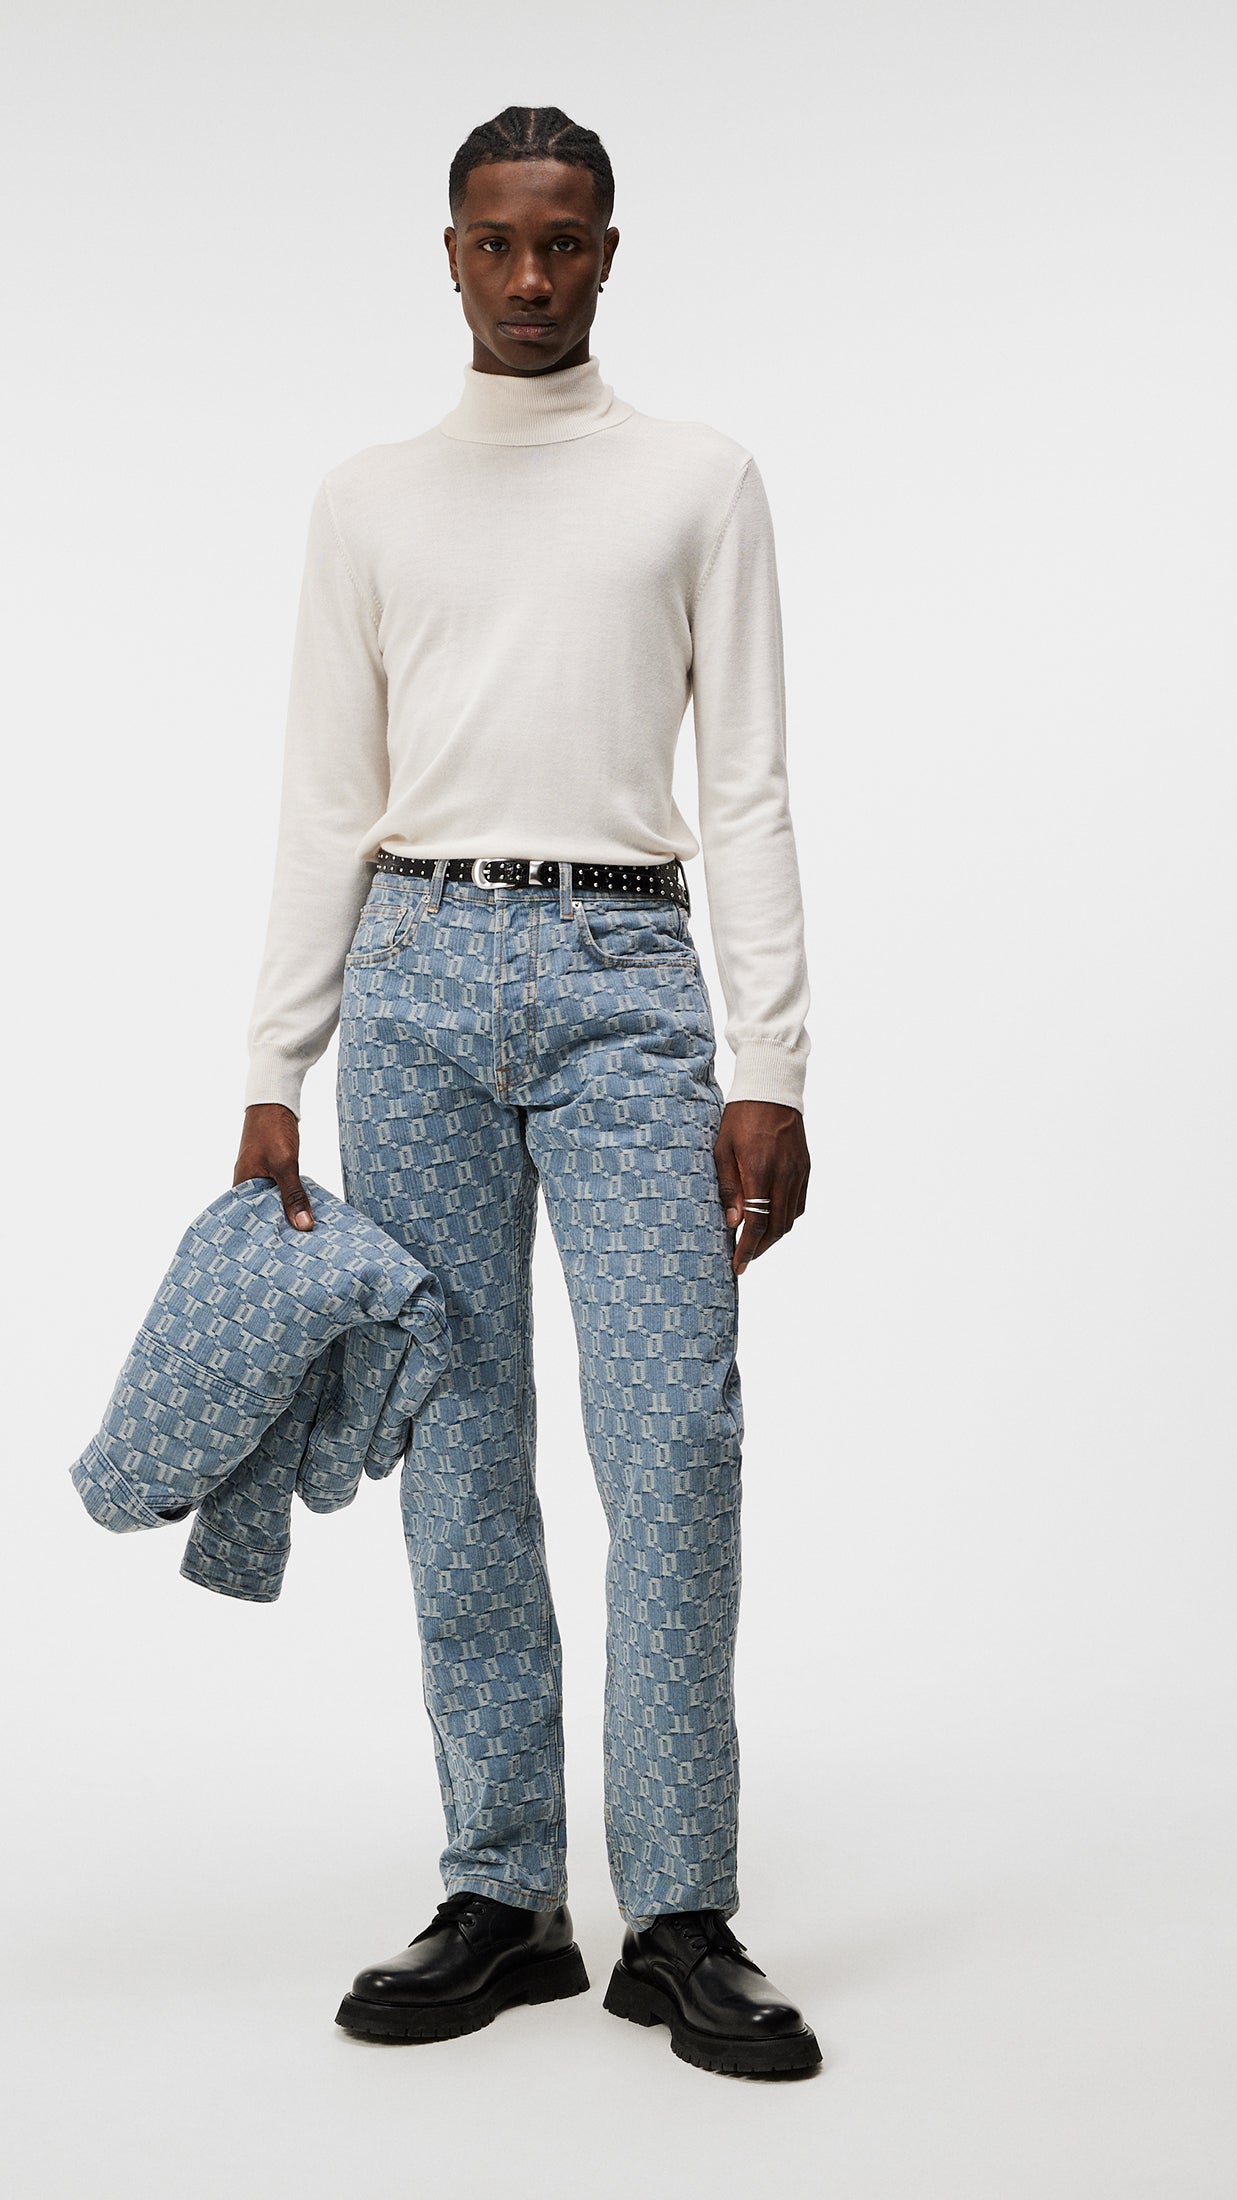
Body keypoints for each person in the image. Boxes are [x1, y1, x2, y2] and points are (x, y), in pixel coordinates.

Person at [232, 106, 820, 2080]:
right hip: (409, 983)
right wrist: (271, 1071)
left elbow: (745, 781)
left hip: (628, 980)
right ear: (451, 252)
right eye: (494, 241)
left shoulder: (695, 479)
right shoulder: (370, 502)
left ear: (609, 251)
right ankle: (503, 1893)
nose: (528, 277)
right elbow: (324, 795)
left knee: (675, 1436)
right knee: (457, 1443)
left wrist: (769, 1060)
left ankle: (681, 1915)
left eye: (561, 241)